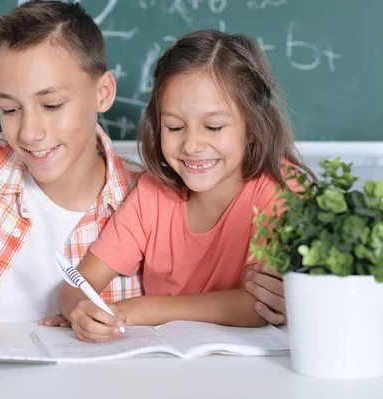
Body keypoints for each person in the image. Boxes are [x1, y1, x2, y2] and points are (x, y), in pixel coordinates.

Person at [0, 3, 286, 340]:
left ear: (103, 92)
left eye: (52, 105)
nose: (31, 132)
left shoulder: (150, 193)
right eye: (9, 108)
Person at [57, 29, 310, 343]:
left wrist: (137, 311)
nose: (191, 145)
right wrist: (81, 311)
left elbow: (256, 306)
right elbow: (77, 285)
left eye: (213, 126)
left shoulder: (280, 191)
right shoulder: (154, 193)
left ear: (252, 128)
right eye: (174, 127)